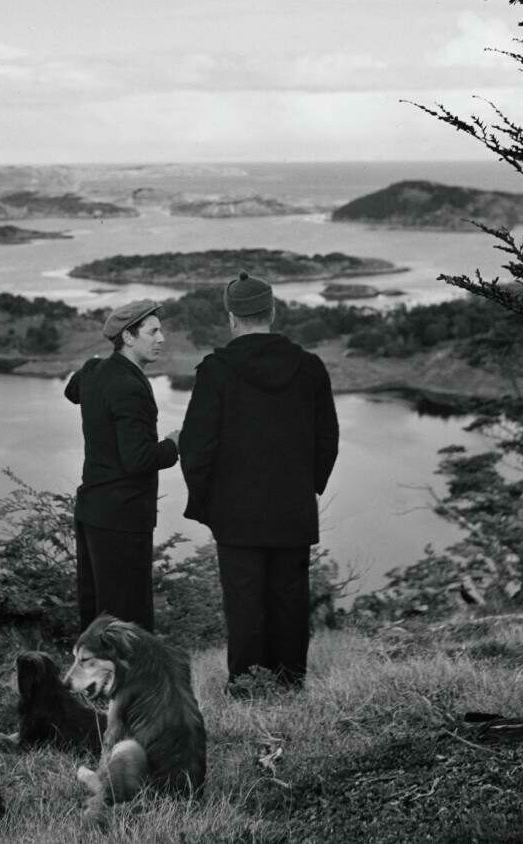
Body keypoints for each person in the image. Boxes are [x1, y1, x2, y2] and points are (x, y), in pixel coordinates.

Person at [178, 272, 339, 694]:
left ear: (233, 318)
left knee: (244, 603)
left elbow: (196, 445)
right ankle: (291, 682)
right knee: (290, 597)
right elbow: (328, 439)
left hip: (236, 512)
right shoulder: (309, 366)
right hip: (292, 506)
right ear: (272, 311)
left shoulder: (216, 370)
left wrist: (207, 503)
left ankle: (248, 687)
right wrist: (308, 486)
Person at [65, 299, 180, 633]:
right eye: (153, 331)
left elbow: (73, 392)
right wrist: (173, 444)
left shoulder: (95, 371)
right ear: (128, 337)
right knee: (128, 620)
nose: (161, 338)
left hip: (92, 512)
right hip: (122, 518)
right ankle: (132, 686)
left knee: (98, 616)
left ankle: (98, 683)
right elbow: (139, 459)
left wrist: (92, 368)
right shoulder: (130, 386)